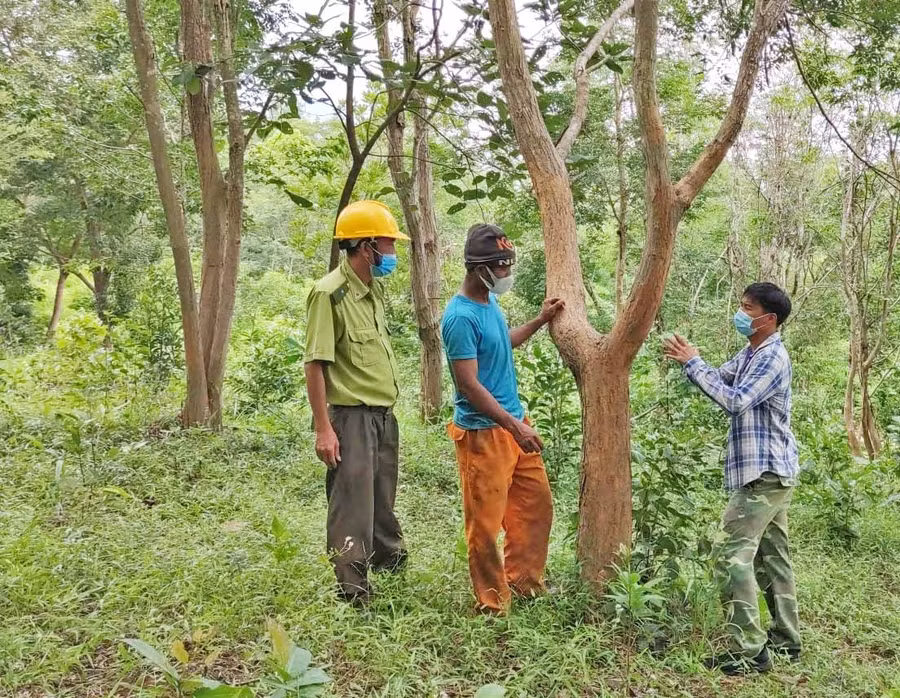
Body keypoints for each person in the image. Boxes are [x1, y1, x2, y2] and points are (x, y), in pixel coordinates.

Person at [663, 282, 802, 675]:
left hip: (765, 473)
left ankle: (749, 652)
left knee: (729, 557)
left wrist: (694, 363)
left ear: (768, 319)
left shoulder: (771, 357)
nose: (740, 313)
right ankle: (786, 641)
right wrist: (692, 360)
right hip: (770, 471)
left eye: (747, 308)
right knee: (772, 558)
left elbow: (735, 400)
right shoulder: (752, 351)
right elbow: (721, 379)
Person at [441, 223, 565, 614]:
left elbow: (500, 343)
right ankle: (492, 603)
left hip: (513, 423)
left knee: (534, 506)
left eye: (509, 265)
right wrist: (515, 427)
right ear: (480, 269)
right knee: (485, 525)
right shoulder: (459, 317)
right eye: (502, 267)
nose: (507, 273)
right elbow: (468, 385)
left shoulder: (488, 303)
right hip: (484, 434)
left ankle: (525, 583)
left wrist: (539, 321)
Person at [304, 200, 409, 605]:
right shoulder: (329, 294)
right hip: (351, 418)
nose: (393, 252)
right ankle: (353, 590)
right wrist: (323, 429)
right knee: (353, 504)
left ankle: (389, 562)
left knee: (381, 498)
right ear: (367, 247)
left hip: (383, 416)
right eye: (389, 244)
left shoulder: (372, 290)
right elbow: (315, 364)